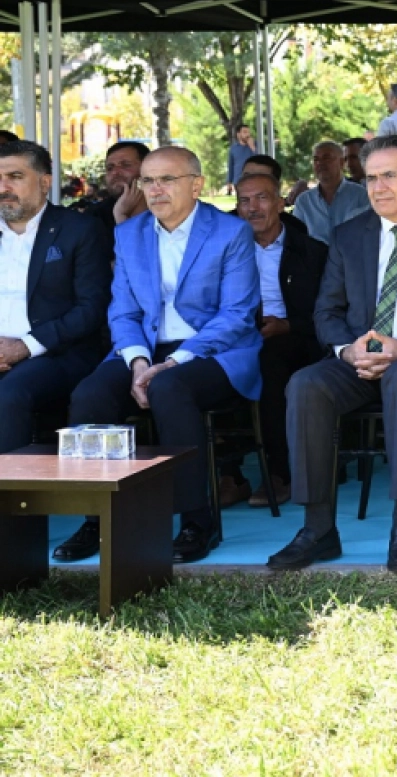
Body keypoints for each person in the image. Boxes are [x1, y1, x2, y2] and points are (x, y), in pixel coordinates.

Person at [266, 135, 397, 574]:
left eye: (389, 176)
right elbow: (326, 311)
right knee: (305, 383)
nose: (378, 187)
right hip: (360, 358)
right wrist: (349, 351)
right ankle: (317, 528)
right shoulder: (349, 234)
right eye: (370, 179)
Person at [56, 147, 262, 566]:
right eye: (148, 181)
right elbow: (124, 311)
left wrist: (174, 361)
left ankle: (195, 520)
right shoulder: (130, 234)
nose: (155, 189)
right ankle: (97, 518)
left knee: (170, 388)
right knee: (89, 395)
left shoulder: (229, 232)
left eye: (167, 180)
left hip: (213, 350)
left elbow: (237, 316)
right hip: (144, 350)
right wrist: (136, 363)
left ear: (197, 184)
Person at [0, 140, 111, 456]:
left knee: (9, 394)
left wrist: (25, 346)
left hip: (57, 352)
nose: (3, 187)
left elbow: (91, 308)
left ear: (45, 182)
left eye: (15, 177)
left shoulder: (79, 229)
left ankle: (17, 502)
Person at [229, 172, 327, 509]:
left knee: (270, 365)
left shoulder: (310, 251)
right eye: (244, 200)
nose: (253, 208)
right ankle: (229, 474)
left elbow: (328, 313)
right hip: (235, 336)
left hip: (293, 337)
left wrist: (288, 325)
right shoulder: (226, 249)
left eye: (262, 198)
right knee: (206, 369)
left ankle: (279, 473)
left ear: (281, 202)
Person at [292, 141, 372, 246]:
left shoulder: (360, 195)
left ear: (342, 163)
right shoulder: (304, 202)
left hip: (351, 259)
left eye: (327, 158)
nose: (320, 163)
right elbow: (296, 240)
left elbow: (370, 234)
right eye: (316, 159)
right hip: (316, 260)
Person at [78, 140, 149, 230]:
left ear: (148, 168)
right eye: (110, 168)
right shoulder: (94, 217)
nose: (115, 172)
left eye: (125, 165)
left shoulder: (164, 209)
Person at [226, 124, 257, 192]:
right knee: (242, 201)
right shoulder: (233, 149)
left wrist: (253, 148)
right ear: (238, 134)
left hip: (253, 180)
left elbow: (261, 159)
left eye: (248, 132)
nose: (248, 135)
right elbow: (231, 166)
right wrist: (229, 182)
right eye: (245, 132)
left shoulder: (256, 145)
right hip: (238, 181)